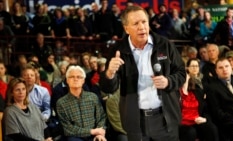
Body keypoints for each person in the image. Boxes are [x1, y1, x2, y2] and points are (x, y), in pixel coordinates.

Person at [100, 5, 186, 141]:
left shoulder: (164, 44)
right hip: (135, 121)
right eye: (136, 23)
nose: (142, 27)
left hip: (165, 118)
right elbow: (108, 88)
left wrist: (168, 81)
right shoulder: (118, 51)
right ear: (126, 28)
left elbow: (181, 73)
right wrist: (110, 73)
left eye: (144, 22)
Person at [56, 65, 107, 141]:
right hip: (75, 137)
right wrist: (91, 131)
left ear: (83, 80)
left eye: (79, 77)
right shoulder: (61, 103)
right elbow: (67, 128)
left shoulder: (93, 97)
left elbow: (101, 118)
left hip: (95, 134)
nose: (75, 79)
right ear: (67, 80)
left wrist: (99, 133)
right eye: (72, 77)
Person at [206, 58, 233, 141]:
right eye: (221, 67)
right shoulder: (212, 87)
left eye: (227, 66)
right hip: (228, 122)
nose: (224, 69)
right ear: (216, 70)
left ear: (231, 67)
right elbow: (216, 112)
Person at [179, 58, 219, 141]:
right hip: (182, 122)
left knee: (211, 128)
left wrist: (204, 118)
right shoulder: (176, 92)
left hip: (196, 119)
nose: (186, 77)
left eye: (196, 66)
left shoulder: (196, 89)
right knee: (190, 132)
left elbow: (204, 107)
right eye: (184, 75)